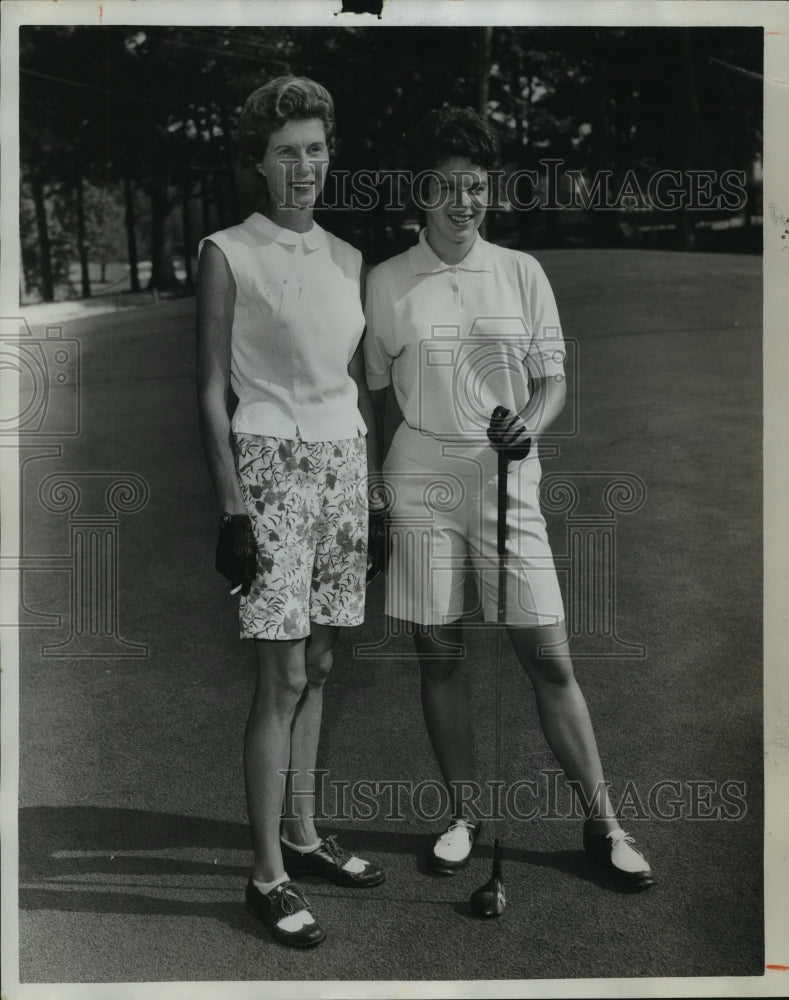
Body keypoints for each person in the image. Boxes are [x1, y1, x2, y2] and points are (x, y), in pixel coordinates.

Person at [364, 106, 654, 890]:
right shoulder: (386, 281)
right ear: (420, 192)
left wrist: (526, 424)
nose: (465, 202)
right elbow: (379, 397)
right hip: (419, 475)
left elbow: (553, 378)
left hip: (506, 475)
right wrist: (377, 496)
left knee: (548, 656)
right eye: (449, 186)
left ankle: (603, 822)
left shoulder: (521, 271)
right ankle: (462, 814)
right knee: (440, 651)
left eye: (477, 187)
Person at [196, 76, 386, 949]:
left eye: (313, 149)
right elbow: (208, 389)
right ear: (259, 164)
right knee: (277, 681)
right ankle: (264, 875)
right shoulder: (226, 250)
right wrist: (233, 505)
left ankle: (304, 838)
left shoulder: (349, 259)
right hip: (270, 465)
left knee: (318, 665)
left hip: (343, 463)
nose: (301, 166)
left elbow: (353, 387)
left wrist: (373, 492)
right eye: (284, 153)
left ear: (327, 154)